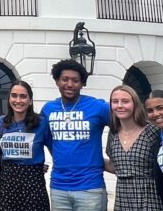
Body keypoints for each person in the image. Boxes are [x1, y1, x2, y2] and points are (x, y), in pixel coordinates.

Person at [40, 59, 110, 211]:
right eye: (65, 79)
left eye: (75, 80)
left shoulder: (98, 107)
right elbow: (45, 139)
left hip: (90, 187)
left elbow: (124, 125)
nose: (70, 84)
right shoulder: (48, 109)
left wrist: (115, 155)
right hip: (58, 187)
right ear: (57, 81)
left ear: (82, 83)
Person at [104, 85, 163, 211]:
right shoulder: (113, 133)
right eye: (115, 101)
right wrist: (87, 156)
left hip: (150, 197)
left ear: (135, 104)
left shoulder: (152, 131)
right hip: (123, 197)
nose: (119, 105)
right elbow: (115, 166)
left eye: (125, 101)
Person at [0, 81, 50, 211]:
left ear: (30, 100)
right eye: (14, 95)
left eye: (23, 96)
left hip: (33, 183)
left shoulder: (41, 123)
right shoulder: (2, 122)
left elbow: (55, 149)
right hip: (8, 182)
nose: (18, 100)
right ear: (9, 99)